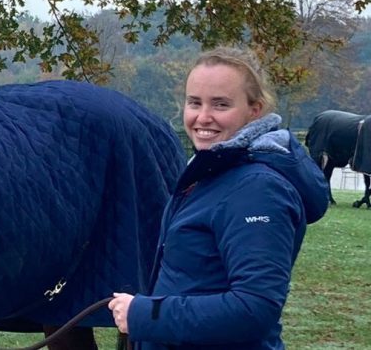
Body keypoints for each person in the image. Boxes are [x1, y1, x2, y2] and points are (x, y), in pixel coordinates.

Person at [108, 46, 330, 350]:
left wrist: (146, 314)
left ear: (255, 110)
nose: (203, 117)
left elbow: (255, 308)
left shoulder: (258, 190)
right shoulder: (210, 174)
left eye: (221, 104)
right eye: (194, 102)